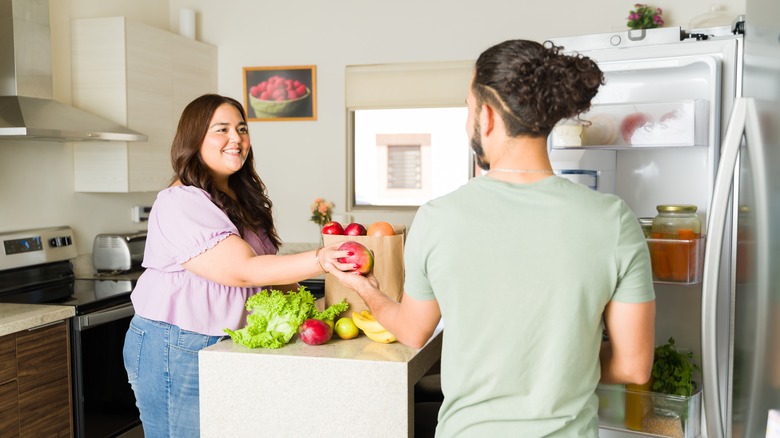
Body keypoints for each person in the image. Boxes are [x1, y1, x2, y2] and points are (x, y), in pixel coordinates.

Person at [327, 40, 656, 436]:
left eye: (468, 108)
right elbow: (634, 365)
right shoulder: (614, 221)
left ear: (485, 116)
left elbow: (413, 331)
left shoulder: (437, 219)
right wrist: (563, 361)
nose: (468, 122)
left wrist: (368, 289)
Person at [122, 94, 352, 437]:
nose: (237, 138)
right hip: (177, 344)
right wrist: (322, 259)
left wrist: (317, 311)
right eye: (222, 129)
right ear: (194, 138)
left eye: (242, 129)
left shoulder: (239, 198)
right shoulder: (180, 201)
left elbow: (269, 271)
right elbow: (243, 270)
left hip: (226, 343)